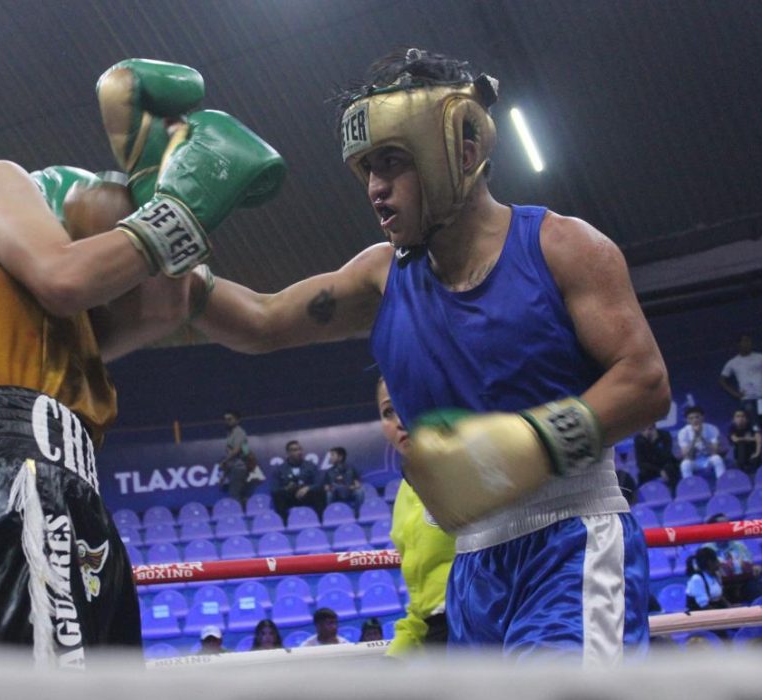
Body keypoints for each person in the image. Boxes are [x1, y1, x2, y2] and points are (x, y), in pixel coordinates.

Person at [188, 49, 668, 658]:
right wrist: (161, 242)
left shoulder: (562, 246)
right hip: (471, 568)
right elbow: (260, 322)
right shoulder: (381, 276)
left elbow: (646, 382)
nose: (375, 188)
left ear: (462, 151)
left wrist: (533, 444)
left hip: (572, 538)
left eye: (392, 163)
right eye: (365, 169)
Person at [0, 58, 285, 665]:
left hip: (64, 481)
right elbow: (65, 276)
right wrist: (177, 209)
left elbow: (184, 311)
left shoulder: (57, 334)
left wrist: (163, 172)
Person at [376, 378, 454, 655]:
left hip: (485, 636)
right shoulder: (404, 495)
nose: (398, 421)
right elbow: (424, 603)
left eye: (406, 404)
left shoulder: (474, 470)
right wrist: (397, 655)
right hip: (440, 639)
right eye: (387, 412)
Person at [719, 334, 762, 425]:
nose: (748, 343)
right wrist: (735, 394)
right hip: (747, 399)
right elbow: (722, 380)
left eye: (749, 341)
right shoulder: (733, 362)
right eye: (745, 341)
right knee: (752, 424)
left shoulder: (760, 357)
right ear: (738, 344)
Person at [271, 440, 325, 520]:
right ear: (288, 453)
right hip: (289, 498)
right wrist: (286, 488)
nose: (299, 452)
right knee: (278, 496)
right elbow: (274, 489)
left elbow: (319, 483)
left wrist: (308, 488)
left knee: (319, 492)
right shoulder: (280, 469)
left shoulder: (310, 466)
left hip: (307, 496)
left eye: (300, 449)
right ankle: (284, 525)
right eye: (295, 450)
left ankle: (321, 520)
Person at [677, 406, 726, 480]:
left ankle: (722, 483)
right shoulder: (683, 432)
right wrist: (694, 438)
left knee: (717, 458)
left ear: (702, 417)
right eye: (691, 418)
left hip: (708, 458)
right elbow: (687, 456)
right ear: (687, 420)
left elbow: (714, 452)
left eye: (697, 417)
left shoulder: (712, 428)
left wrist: (701, 436)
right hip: (694, 461)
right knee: (685, 464)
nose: (695, 420)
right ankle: (691, 488)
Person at [220, 410, 258, 505]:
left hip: (239, 467)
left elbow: (236, 450)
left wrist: (224, 461)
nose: (227, 421)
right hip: (234, 467)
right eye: (225, 419)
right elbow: (245, 450)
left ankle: (237, 517)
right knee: (239, 494)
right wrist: (224, 474)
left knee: (234, 494)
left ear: (237, 420)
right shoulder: (231, 433)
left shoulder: (239, 432)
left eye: (230, 419)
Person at [685, 547, 729, 613]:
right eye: (717, 560)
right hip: (700, 614)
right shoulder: (697, 579)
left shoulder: (717, 575)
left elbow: (720, 597)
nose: (719, 562)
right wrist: (723, 615)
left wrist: (732, 609)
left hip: (715, 611)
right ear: (710, 562)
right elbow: (704, 606)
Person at [322, 446, 365, 511]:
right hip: (336, 494)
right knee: (329, 494)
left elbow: (358, 484)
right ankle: (330, 513)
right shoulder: (329, 471)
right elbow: (326, 486)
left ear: (340, 457)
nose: (330, 457)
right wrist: (328, 488)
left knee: (360, 492)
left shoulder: (351, 469)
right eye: (330, 455)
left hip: (349, 492)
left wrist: (352, 487)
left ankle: (357, 513)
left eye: (332, 455)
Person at [727, 409, 762, 473]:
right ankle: (742, 468)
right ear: (734, 419)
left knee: (759, 451)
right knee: (741, 443)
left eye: (743, 416)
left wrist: (757, 453)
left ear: (746, 418)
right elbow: (735, 439)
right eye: (737, 416)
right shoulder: (732, 426)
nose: (740, 418)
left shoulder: (753, 425)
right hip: (740, 451)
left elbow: (759, 439)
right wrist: (750, 438)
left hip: (753, 448)